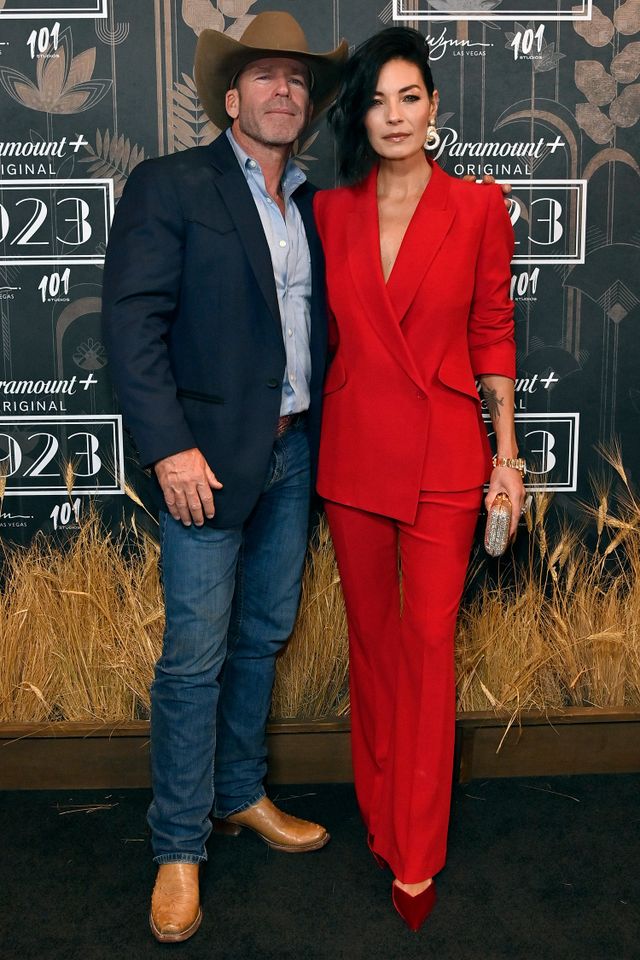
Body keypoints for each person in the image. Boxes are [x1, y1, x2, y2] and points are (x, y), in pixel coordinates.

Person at [101, 12, 348, 943]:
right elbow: (132, 323)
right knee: (195, 657)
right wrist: (168, 447)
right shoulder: (173, 185)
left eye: (297, 80)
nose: (284, 91)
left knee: (263, 636)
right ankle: (176, 846)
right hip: (201, 462)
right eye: (266, 78)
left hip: (293, 453)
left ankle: (240, 793)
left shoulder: (315, 206)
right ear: (231, 96)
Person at [313, 27, 526, 932]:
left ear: (435, 109)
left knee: (428, 647)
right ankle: (380, 805)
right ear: (361, 113)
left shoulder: (479, 206)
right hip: (356, 453)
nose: (393, 115)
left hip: (445, 456)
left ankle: (418, 849)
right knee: (374, 643)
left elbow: (491, 333)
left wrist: (508, 457)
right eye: (377, 100)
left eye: (410, 97)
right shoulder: (329, 211)